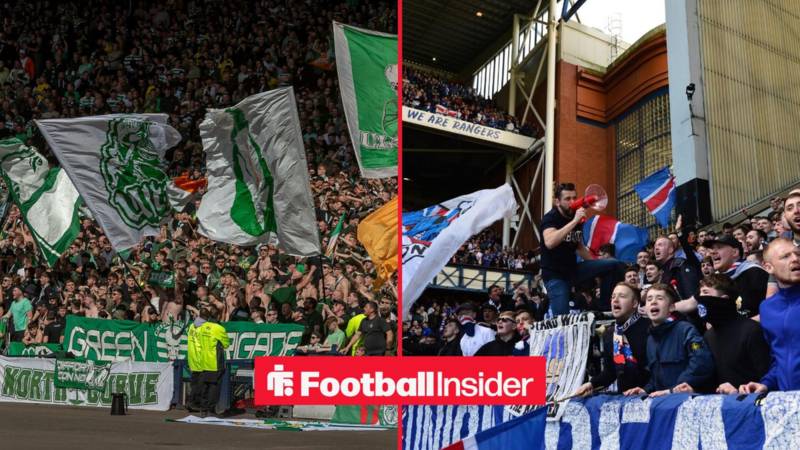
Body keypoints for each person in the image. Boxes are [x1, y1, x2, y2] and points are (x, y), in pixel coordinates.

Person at [540, 182, 625, 315]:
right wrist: (574, 221)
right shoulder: (551, 217)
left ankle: (605, 308)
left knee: (613, 264)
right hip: (555, 276)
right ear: (557, 202)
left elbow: (579, 247)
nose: (572, 202)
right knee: (562, 318)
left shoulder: (575, 215)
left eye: (574, 197)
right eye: (567, 199)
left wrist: (596, 266)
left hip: (573, 270)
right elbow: (550, 242)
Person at [624, 284, 714, 397]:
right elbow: (655, 379)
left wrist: (674, 390)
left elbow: (701, 362)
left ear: (671, 307)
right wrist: (645, 390)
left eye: (660, 298)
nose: (653, 302)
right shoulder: (650, 340)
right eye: (649, 299)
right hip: (662, 404)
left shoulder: (685, 330)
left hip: (685, 401)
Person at [740, 238, 800, 393]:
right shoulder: (767, 308)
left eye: (798, 254)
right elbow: (778, 359)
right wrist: (765, 384)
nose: (795, 259)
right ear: (768, 267)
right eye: (785, 256)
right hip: (788, 404)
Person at [695, 274, 770, 394]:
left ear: (723, 299)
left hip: (751, 404)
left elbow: (766, 378)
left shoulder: (752, 330)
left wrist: (739, 391)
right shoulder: (708, 336)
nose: (700, 298)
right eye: (700, 293)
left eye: (705, 292)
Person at [576, 283, 650, 396]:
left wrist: (647, 390)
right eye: (613, 296)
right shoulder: (610, 334)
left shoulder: (649, 328)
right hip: (624, 399)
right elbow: (610, 372)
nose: (615, 300)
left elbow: (658, 370)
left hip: (651, 397)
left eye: (622, 296)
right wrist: (591, 384)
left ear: (635, 303)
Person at [187, 305, 231, 417]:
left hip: (202, 360)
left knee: (204, 385)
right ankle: (210, 409)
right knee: (214, 386)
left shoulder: (198, 327)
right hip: (214, 360)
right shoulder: (218, 328)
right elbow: (226, 344)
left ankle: (203, 408)